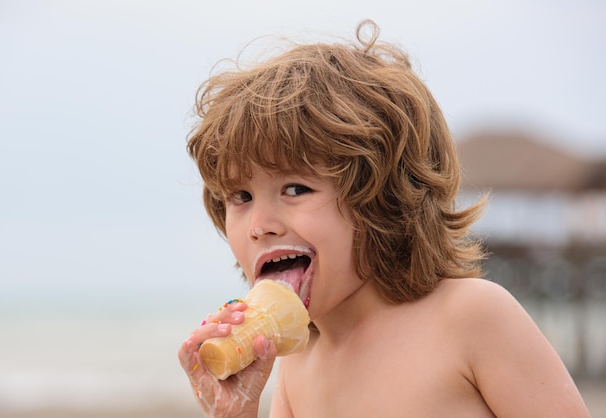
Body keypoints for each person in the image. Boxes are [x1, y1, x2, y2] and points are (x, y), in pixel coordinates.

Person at [178, 20, 590, 417]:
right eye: (240, 197)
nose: (259, 224)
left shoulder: (469, 318)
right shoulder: (298, 365)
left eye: (295, 189)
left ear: (381, 198)